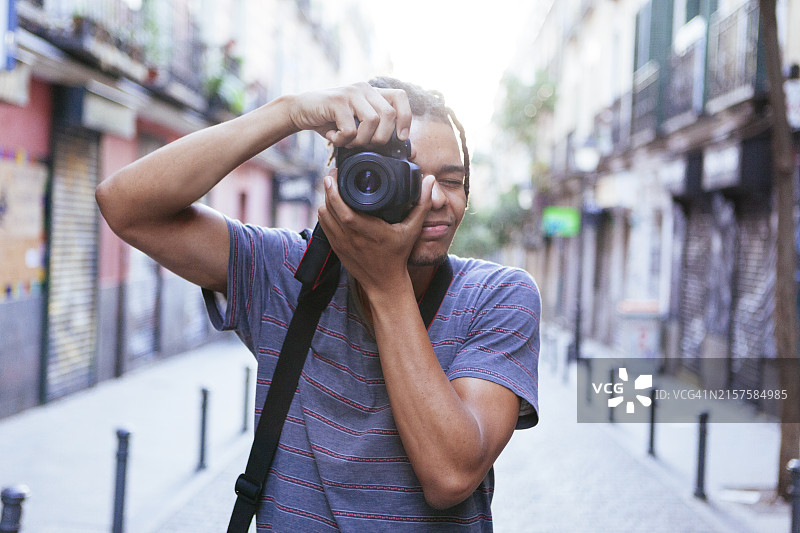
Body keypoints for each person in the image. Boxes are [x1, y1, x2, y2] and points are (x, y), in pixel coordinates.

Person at [96, 77, 540, 531]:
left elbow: (450, 475)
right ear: (345, 183)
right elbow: (124, 205)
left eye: (452, 181)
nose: (436, 199)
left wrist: (386, 284)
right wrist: (288, 113)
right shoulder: (289, 273)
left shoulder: (498, 296)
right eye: (410, 178)